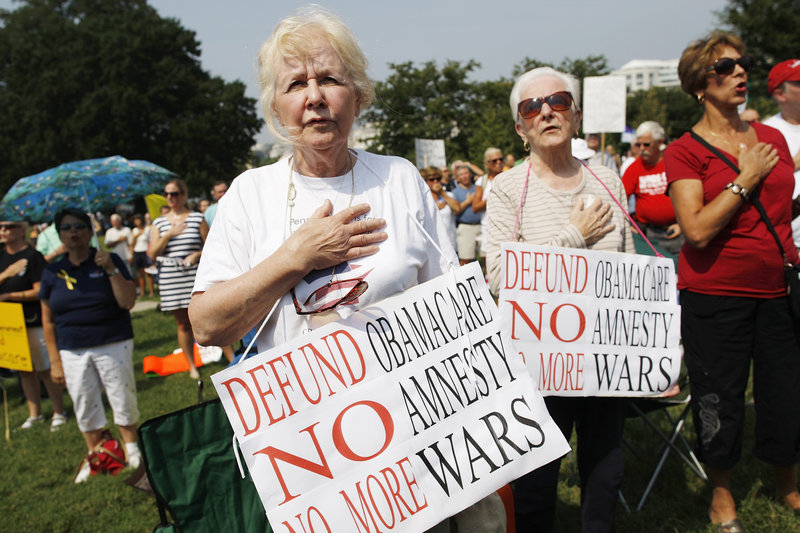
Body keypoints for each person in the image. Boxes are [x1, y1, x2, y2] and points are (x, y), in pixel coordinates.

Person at [188, 7, 503, 532]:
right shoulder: (250, 194)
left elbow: (455, 313)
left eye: (329, 79)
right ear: (276, 105)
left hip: (412, 438)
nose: (314, 96)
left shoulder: (399, 179)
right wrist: (295, 258)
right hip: (312, 455)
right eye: (295, 83)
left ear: (356, 96)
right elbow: (206, 324)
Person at [486, 66, 633, 532]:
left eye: (559, 101)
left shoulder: (609, 180)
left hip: (604, 353)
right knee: (536, 477)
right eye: (532, 107)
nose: (547, 110)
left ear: (576, 113)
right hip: (539, 359)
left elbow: (628, 268)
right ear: (520, 127)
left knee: (605, 467)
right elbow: (498, 276)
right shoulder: (507, 188)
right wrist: (574, 236)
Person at [665, 32, 800, 532]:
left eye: (742, 63)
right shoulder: (684, 150)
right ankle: (721, 494)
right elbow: (696, 230)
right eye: (726, 66)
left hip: (779, 288)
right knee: (718, 396)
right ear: (700, 83)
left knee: (784, 392)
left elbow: (780, 209)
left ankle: (786, 480)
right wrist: (745, 178)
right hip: (715, 294)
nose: (741, 72)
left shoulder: (774, 139)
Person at [39, 208, 141, 483]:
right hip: (72, 348)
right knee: (83, 401)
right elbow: (47, 321)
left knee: (122, 394)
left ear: (89, 230)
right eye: (66, 228)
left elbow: (128, 301)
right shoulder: (52, 271)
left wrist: (109, 269)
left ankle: (131, 447)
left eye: (79, 226)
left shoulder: (110, 260)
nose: (73, 232)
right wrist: (55, 360)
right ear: (59, 234)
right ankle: (95, 453)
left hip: (113, 340)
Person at [0, 219, 66, 430]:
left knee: (44, 368)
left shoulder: (33, 257)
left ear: (21, 230)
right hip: (8, 321)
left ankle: (58, 411)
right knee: (23, 370)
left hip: (32, 319)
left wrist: (11, 294)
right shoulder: (1, 256)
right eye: (1, 227)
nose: (3, 231)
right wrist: (7, 274)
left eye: (8, 227)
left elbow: (40, 290)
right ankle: (34, 413)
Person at [149, 179, 208, 378]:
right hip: (171, 277)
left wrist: (196, 255)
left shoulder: (197, 218)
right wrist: (168, 235)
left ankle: (229, 357)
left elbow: (210, 246)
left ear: (183, 195)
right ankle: (191, 364)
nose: (170, 198)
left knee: (207, 317)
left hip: (194, 273)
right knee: (183, 324)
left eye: (174, 193)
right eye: (167, 194)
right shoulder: (158, 223)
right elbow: (152, 253)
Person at [622, 121, 684, 255]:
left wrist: (683, 224)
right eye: (639, 144)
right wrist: (628, 225)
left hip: (676, 231)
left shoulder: (674, 162)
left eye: (646, 144)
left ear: (660, 142)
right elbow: (619, 198)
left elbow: (688, 195)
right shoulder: (634, 168)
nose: (642, 148)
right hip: (648, 233)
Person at [763, 58, 800, 248]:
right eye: (799, 83)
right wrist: (794, 163)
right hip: (789, 246)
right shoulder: (765, 133)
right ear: (780, 94)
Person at [472, 147, 504, 267]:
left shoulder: (509, 178)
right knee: (490, 269)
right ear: (487, 164)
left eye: (501, 159)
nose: (499, 163)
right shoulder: (482, 181)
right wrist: (493, 195)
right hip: (488, 231)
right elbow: (475, 207)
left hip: (507, 230)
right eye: (494, 161)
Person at [421, 166, 459, 251]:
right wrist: (436, 207)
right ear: (426, 181)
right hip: (432, 244)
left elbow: (457, 208)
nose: (435, 182)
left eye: (438, 179)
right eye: (432, 180)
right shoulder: (423, 198)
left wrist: (442, 193)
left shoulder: (448, 195)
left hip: (450, 241)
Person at [452, 163, 482, 265]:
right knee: (465, 259)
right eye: (461, 174)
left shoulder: (478, 187)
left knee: (486, 256)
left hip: (481, 225)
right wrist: (468, 202)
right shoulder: (454, 192)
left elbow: (483, 175)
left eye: (466, 173)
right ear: (457, 178)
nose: (465, 176)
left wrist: (468, 164)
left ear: (470, 174)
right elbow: (455, 211)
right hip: (465, 227)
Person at [130, 214, 154, 297]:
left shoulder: (148, 229)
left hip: (146, 252)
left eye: (138, 220)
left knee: (149, 273)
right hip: (137, 252)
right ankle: (142, 292)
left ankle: (152, 292)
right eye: (135, 220)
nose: (137, 222)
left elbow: (151, 240)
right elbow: (132, 244)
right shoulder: (134, 230)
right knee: (140, 274)